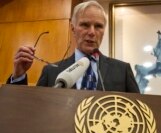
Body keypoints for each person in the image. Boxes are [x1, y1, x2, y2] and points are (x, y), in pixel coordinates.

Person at [7, 1, 140, 93]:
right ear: (73, 28)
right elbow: (31, 112)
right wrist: (18, 76)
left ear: (104, 31)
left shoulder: (123, 71)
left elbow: (139, 113)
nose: (92, 32)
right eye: (85, 25)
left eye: (98, 26)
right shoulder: (50, 72)